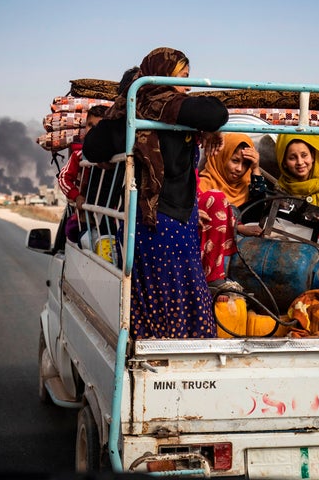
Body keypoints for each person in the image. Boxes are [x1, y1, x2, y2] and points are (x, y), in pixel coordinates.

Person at [82, 47, 228, 339]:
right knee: (169, 295)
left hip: (179, 219)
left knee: (179, 291)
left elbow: (214, 115)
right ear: (161, 76)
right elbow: (93, 146)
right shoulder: (142, 108)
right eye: (183, 77)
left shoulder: (169, 111)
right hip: (156, 222)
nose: (188, 85)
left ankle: (175, 352)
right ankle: (166, 355)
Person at [197, 132, 266, 288]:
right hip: (210, 263)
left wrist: (255, 168)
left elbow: (259, 209)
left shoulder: (246, 187)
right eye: (234, 161)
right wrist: (240, 228)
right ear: (222, 156)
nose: (239, 169)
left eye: (246, 164)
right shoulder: (202, 184)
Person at [56, 105, 108, 245]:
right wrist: (76, 196)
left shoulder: (114, 156)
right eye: (90, 125)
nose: (93, 130)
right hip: (84, 215)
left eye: (99, 127)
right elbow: (63, 177)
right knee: (80, 235)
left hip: (109, 215)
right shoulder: (79, 155)